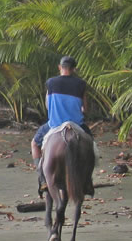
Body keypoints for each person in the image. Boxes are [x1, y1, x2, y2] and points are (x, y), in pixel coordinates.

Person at [31, 56, 92, 194]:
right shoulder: (81, 84)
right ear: (74, 69)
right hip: (77, 124)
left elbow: (48, 105)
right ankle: (88, 181)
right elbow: (85, 109)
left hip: (55, 124)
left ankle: (42, 179)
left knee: (35, 144)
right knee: (91, 146)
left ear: (60, 67)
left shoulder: (51, 83)